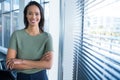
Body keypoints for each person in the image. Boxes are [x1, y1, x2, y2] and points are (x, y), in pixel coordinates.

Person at [6, 1, 53, 80]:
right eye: (30, 13)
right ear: (26, 16)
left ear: (41, 16)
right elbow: (10, 64)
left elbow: (48, 65)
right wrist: (39, 63)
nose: (33, 17)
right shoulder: (16, 35)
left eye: (37, 14)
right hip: (22, 77)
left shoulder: (47, 37)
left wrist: (21, 61)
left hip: (41, 77)